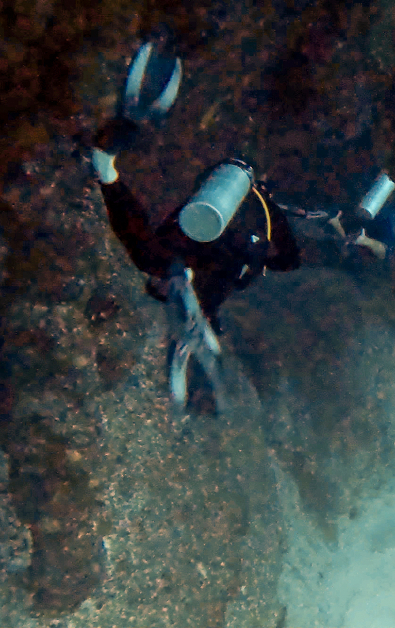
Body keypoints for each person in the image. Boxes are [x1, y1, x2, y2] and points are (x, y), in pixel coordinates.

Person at [89, 42, 300, 409]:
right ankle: (196, 326)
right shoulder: (261, 208)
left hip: (196, 241)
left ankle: (108, 172)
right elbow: (287, 260)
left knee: (156, 257)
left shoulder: (221, 188)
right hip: (215, 253)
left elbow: (170, 221)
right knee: (187, 275)